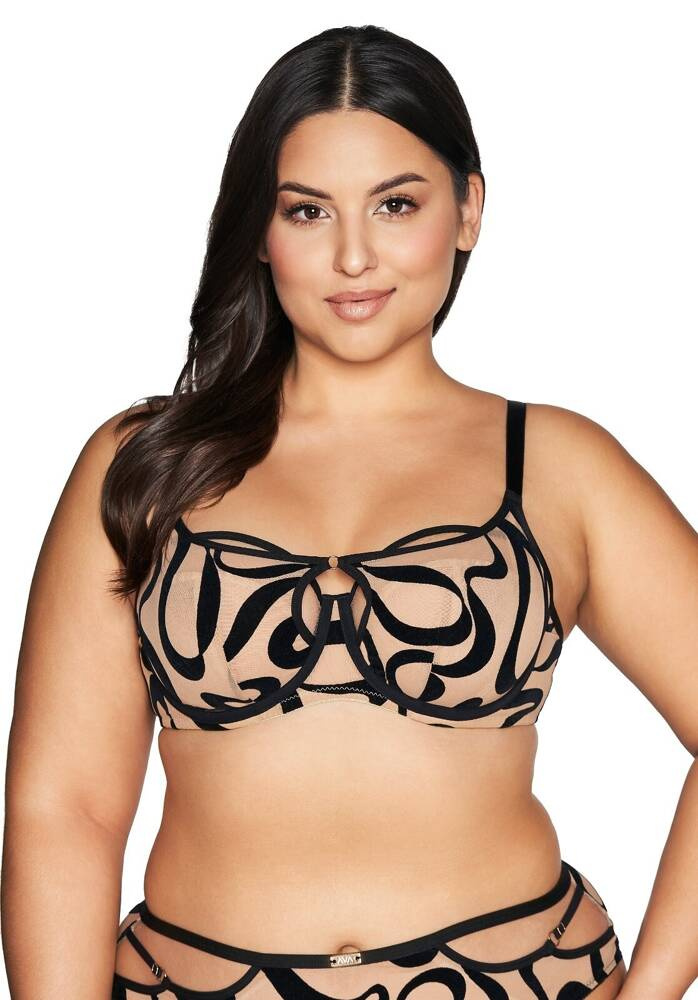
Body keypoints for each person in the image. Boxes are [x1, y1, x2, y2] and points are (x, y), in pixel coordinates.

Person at [3, 23, 697, 1000]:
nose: (354, 255)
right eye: (307, 210)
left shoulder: (556, 465)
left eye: (395, 204)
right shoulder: (146, 465)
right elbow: (64, 811)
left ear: (467, 209)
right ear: (259, 228)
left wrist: (651, 994)